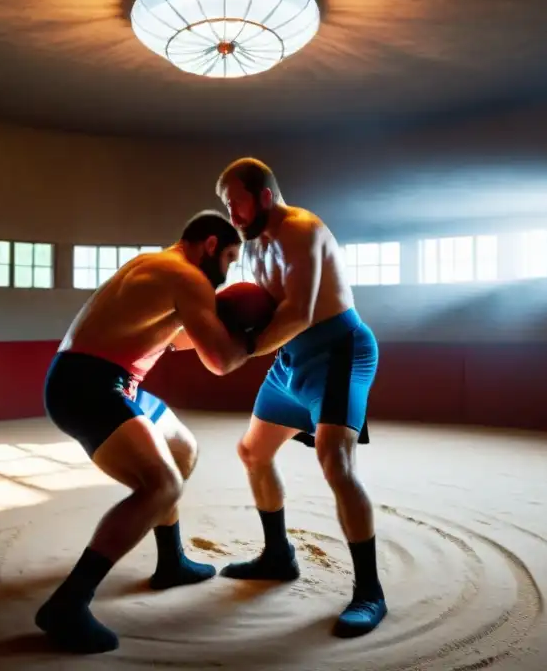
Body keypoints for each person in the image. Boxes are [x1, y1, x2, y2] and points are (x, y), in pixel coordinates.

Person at [35, 210, 251, 654]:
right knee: (161, 484)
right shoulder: (184, 276)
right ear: (210, 245)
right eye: (230, 258)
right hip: (88, 385)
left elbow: (179, 339)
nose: (228, 273)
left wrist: (220, 322)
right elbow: (222, 361)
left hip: (108, 381)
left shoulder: (155, 266)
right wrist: (263, 333)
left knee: (182, 451)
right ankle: (68, 604)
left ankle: (170, 561)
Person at [214, 157, 386, 638]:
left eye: (237, 205)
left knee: (335, 460)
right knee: (252, 451)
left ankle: (370, 591)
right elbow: (256, 310)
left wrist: (241, 351)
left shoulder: (303, 230)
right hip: (290, 360)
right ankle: (277, 555)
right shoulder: (253, 248)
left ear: (264, 196)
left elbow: (298, 312)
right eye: (228, 209)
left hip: (338, 351)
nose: (234, 217)